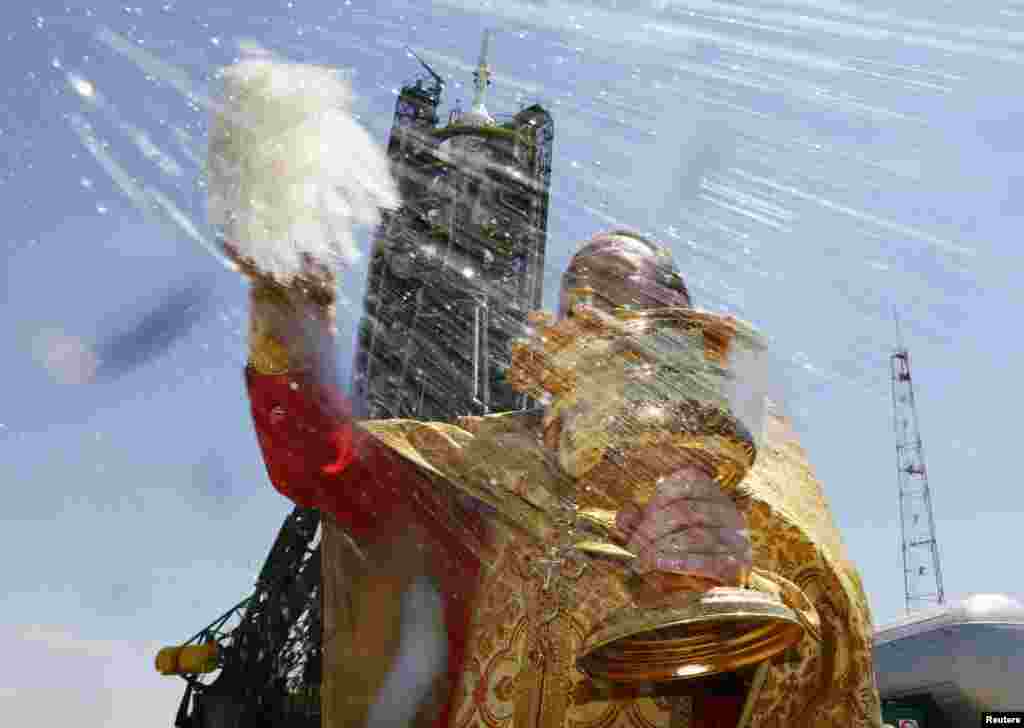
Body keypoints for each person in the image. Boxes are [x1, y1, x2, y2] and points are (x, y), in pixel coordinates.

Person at [236, 230, 882, 727]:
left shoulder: (756, 468)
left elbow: (825, 640)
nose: (597, 310)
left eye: (625, 292)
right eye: (580, 297)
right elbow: (322, 464)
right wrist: (287, 319)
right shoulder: (481, 462)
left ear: (682, 320)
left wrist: (739, 592)